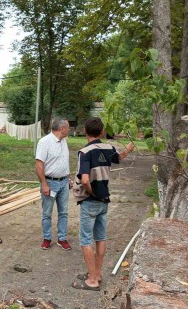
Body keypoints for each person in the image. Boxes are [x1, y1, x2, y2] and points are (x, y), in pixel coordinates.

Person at [72, 117, 134, 290]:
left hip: (90, 200)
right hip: (104, 200)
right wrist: (128, 149)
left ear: (85, 131)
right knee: (100, 237)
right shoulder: (108, 148)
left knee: (85, 240)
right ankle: (97, 274)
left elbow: (84, 180)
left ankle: (91, 280)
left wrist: (91, 192)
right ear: (101, 131)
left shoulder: (85, 152)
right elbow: (119, 157)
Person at [35, 118, 72, 250]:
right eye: (68, 127)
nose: (69, 130)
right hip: (50, 182)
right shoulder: (45, 142)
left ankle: (62, 239)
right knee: (47, 213)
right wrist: (44, 184)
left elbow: (64, 161)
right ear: (62, 129)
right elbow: (39, 164)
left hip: (63, 182)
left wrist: (68, 178)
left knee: (64, 212)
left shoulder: (63, 141)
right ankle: (47, 238)